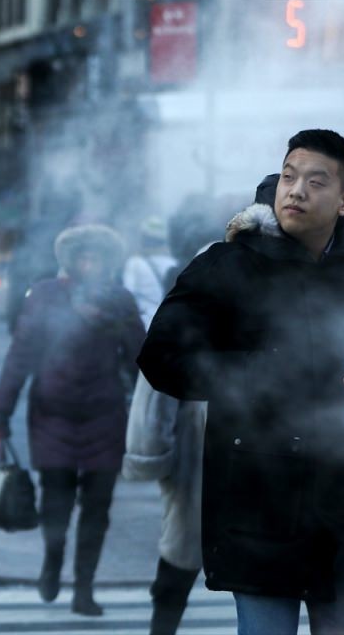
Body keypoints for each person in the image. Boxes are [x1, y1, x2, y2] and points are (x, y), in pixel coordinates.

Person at [138, 129, 344, 635]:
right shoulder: (227, 266)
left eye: (315, 182)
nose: (296, 191)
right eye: (289, 177)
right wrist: (252, 372)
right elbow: (160, 357)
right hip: (257, 503)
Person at [0, 224, 145, 617]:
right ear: (71, 260)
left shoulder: (119, 301)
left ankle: (84, 588)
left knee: (97, 507)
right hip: (52, 414)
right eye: (83, 256)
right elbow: (21, 353)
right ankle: (52, 560)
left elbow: (141, 360)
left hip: (104, 416)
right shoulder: (44, 296)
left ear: (108, 261)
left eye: (97, 257)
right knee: (55, 502)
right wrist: (0, 411)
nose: (90, 264)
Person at [123, 190, 245, 635]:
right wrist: (153, 452)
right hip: (199, 436)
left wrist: (152, 454)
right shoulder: (199, 278)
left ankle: (164, 622)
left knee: (194, 544)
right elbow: (157, 373)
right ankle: (163, 624)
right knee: (184, 543)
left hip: (223, 437)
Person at [123, 216, 177, 329]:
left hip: (143, 324)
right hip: (169, 324)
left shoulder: (134, 263)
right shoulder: (174, 264)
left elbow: (128, 294)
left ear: (143, 239)